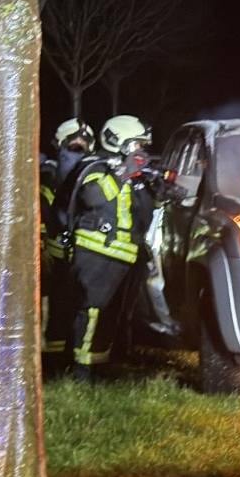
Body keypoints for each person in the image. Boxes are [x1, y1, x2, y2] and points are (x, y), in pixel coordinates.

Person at [61, 114, 159, 381]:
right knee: (91, 311)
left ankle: (100, 365)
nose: (141, 150)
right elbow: (95, 196)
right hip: (96, 251)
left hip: (122, 254)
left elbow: (142, 215)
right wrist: (125, 173)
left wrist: (149, 187)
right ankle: (80, 371)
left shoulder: (131, 173)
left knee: (109, 315)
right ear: (119, 141)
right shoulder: (94, 166)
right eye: (137, 144)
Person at [41, 119, 96, 376]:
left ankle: (64, 359)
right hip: (53, 254)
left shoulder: (91, 175)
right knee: (56, 309)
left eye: (82, 147)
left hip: (78, 253)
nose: (77, 152)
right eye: (73, 147)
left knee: (74, 307)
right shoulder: (47, 176)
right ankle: (50, 364)